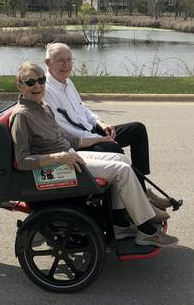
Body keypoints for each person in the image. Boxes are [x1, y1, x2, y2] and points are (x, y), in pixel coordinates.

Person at [9, 62, 177, 247]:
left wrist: (95, 140)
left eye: (41, 80)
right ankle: (146, 230)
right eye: (30, 82)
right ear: (20, 85)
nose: (38, 86)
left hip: (69, 156)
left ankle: (120, 223)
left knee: (123, 159)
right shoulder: (22, 115)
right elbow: (22, 160)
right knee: (121, 170)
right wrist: (58, 158)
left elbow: (63, 139)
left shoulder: (43, 107)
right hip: (57, 167)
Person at [43, 42, 171, 211]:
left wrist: (100, 122)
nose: (66, 65)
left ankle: (141, 190)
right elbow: (64, 128)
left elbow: (82, 108)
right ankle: (137, 201)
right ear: (48, 62)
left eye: (69, 60)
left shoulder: (67, 82)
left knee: (137, 130)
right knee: (113, 148)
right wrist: (98, 138)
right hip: (80, 141)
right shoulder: (46, 90)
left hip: (91, 130)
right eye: (61, 60)